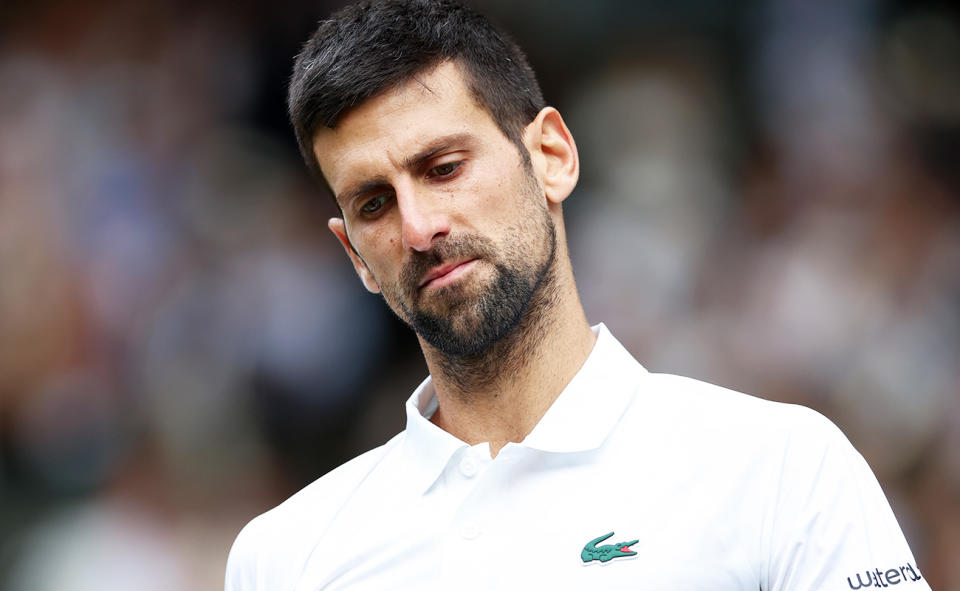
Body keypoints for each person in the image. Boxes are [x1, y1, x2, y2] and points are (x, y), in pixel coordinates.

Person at [225, 1, 930, 589]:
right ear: (354, 254)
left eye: (443, 167)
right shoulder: (285, 556)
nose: (417, 226)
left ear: (552, 156)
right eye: (373, 204)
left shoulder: (778, 468)